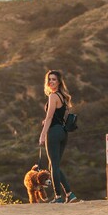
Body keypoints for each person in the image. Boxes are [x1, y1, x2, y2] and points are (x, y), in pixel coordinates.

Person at [38, 69, 79, 204]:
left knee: (53, 166)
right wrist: (48, 122)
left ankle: (58, 197)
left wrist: (42, 135)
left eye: (54, 79)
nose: (51, 81)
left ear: (59, 81)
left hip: (54, 133)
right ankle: (70, 194)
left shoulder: (53, 96)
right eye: (49, 79)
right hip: (63, 133)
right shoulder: (64, 97)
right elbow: (58, 116)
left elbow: (50, 117)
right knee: (54, 165)